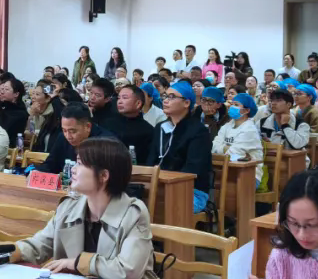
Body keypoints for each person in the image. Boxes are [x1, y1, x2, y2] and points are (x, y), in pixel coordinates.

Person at [0, 137, 159, 279]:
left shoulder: (133, 213)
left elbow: (128, 271)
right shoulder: (69, 207)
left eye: (80, 164)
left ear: (104, 176)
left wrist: (77, 263)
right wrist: (5, 254)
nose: (73, 169)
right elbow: (39, 245)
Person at [148, 81, 212, 213]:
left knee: (169, 205)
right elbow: (151, 160)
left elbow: (193, 169)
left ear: (186, 103)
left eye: (171, 97)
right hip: (159, 185)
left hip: (192, 190)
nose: (165, 100)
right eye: (165, 96)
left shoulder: (199, 131)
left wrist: (164, 182)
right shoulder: (160, 127)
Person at [36, 102, 115, 175]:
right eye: (64, 130)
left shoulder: (105, 143)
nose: (68, 136)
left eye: (72, 131)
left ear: (88, 126)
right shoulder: (62, 138)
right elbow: (49, 166)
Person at [212, 93, 264, 186]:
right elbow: (213, 146)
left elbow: (232, 153)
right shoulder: (227, 126)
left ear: (247, 110)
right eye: (232, 104)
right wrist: (226, 149)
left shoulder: (249, 130)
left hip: (249, 174)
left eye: (236, 105)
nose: (232, 107)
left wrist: (223, 148)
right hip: (226, 169)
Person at [106, 85, 154, 163]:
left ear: (138, 103)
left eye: (125, 98)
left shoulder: (148, 130)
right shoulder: (108, 123)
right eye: (119, 98)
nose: (119, 101)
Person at [28, 85, 61, 153]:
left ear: (48, 98)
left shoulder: (52, 114)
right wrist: (31, 115)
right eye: (33, 93)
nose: (33, 97)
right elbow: (30, 131)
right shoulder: (32, 109)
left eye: (37, 94)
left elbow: (35, 133)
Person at [0, 76, 29, 141]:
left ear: (16, 94)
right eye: (2, 89)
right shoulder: (4, 106)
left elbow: (3, 131)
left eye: (6, 89)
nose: (2, 92)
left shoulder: (20, 113)